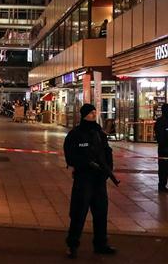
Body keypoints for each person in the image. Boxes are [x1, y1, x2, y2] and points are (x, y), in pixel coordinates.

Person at [63, 103, 119, 258]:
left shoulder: (99, 133)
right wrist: (85, 164)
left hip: (99, 179)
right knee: (78, 213)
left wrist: (108, 170)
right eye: (90, 113)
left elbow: (107, 152)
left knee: (101, 213)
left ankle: (101, 244)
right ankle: (72, 245)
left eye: (95, 112)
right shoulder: (76, 134)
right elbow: (70, 156)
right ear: (84, 115)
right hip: (83, 179)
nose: (94, 115)